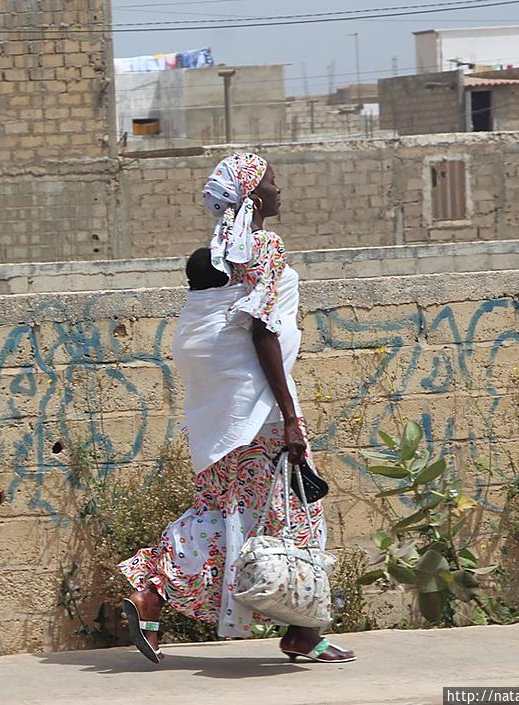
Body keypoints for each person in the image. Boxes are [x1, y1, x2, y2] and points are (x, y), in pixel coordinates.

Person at [118, 153, 355, 665]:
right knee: (298, 514)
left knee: (224, 510)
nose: (279, 189)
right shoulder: (263, 246)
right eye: (271, 182)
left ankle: (153, 590)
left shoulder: (221, 251)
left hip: (220, 410)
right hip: (259, 410)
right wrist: (291, 417)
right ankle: (303, 632)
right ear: (251, 195)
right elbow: (264, 327)